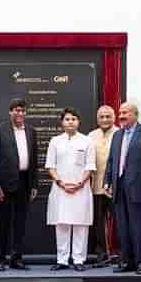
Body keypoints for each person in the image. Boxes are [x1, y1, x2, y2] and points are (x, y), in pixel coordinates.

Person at [104, 102, 141, 274]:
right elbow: (111, 161)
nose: (121, 116)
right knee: (122, 227)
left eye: (125, 113)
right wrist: (108, 181)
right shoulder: (117, 135)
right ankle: (126, 261)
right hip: (119, 187)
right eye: (120, 113)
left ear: (135, 115)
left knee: (138, 226)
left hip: (139, 187)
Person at [45, 107, 96, 272]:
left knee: (80, 225)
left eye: (73, 119)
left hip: (81, 189)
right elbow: (50, 166)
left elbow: (90, 166)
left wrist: (80, 183)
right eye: (67, 119)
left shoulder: (87, 141)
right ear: (62, 122)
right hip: (60, 189)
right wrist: (61, 183)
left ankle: (79, 260)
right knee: (62, 225)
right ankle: (62, 259)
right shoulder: (55, 141)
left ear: (78, 122)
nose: (70, 122)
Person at [0, 98, 38, 271]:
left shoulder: (31, 131)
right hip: (4, 183)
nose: (19, 113)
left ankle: (16, 258)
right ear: (10, 112)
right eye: (16, 110)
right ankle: (0, 259)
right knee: (3, 223)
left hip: (24, 181)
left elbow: (34, 160)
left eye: (22, 110)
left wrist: (34, 184)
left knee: (20, 223)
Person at [88, 105, 119, 267]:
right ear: (97, 118)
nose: (105, 120)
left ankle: (120, 253)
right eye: (102, 117)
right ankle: (102, 254)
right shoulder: (91, 136)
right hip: (96, 187)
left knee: (119, 222)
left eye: (108, 116)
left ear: (114, 117)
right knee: (98, 223)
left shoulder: (120, 134)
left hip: (116, 189)